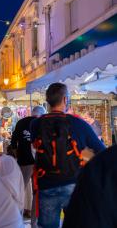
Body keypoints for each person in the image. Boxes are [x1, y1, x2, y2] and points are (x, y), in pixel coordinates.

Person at [30, 83, 106, 228]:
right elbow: (100, 150)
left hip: (46, 185)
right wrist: (85, 156)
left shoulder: (35, 124)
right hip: (74, 184)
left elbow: (35, 147)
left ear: (47, 101)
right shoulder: (78, 123)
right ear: (65, 100)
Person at [63, 145, 116, 228]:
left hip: (47, 183)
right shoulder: (82, 131)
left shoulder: (101, 165)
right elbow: (97, 145)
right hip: (72, 181)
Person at [11, 105, 46, 218]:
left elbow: (13, 142)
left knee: (20, 189)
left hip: (24, 161)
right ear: (41, 114)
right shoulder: (42, 123)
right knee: (36, 191)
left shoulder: (21, 122)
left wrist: (17, 155)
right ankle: (33, 219)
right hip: (39, 162)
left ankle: (17, 215)